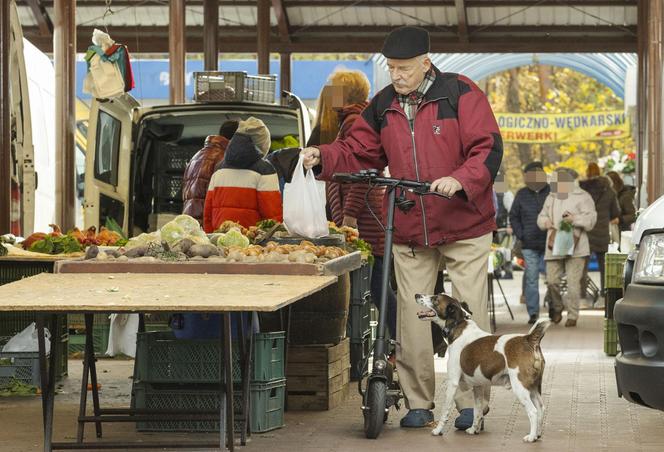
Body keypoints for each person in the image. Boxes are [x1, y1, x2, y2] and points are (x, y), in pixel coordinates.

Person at [301, 26, 503, 430]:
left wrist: (461, 179)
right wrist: (319, 155)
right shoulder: (382, 105)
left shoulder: (460, 92)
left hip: (465, 220)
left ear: (425, 63)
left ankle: (470, 401)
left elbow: (488, 146)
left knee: (469, 312)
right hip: (411, 222)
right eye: (391, 67)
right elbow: (357, 151)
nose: (396, 75)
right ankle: (419, 402)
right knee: (412, 313)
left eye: (404, 68)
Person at [537, 167, 597, 327]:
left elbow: (591, 220)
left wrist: (574, 219)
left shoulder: (583, 196)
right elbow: (541, 216)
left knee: (573, 283)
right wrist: (545, 222)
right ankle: (557, 307)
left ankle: (572, 315)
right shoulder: (551, 197)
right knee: (551, 281)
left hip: (577, 246)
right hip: (554, 244)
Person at [203, 117, 282, 232]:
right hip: (252, 243)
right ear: (262, 145)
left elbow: (207, 213)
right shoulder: (265, 170)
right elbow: (272, 217)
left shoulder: (219, 168)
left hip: (219, 239)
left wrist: (210, 237)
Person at [509, 162, 551, 324]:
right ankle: (533, 312)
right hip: (529, 244)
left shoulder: (553, 192)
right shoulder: (521, 194)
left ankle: (554, 306)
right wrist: (521, 234)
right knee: (532, 279)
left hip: (550, 244)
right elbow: (514, 216)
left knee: (552, 279)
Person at [182, 120, 239, 224]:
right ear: (237, 137)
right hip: (207, 225)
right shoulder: (224, 158)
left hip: (190, 223)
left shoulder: (196, 156)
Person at [579, 162, 620, 295]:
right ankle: (604, 295)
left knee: (582, 267)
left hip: (584, 233)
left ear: (587, 172)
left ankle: (582, 296)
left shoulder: (581, 190)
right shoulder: (609, 190)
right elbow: (615, 212)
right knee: (604, 267)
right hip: (602, 233)